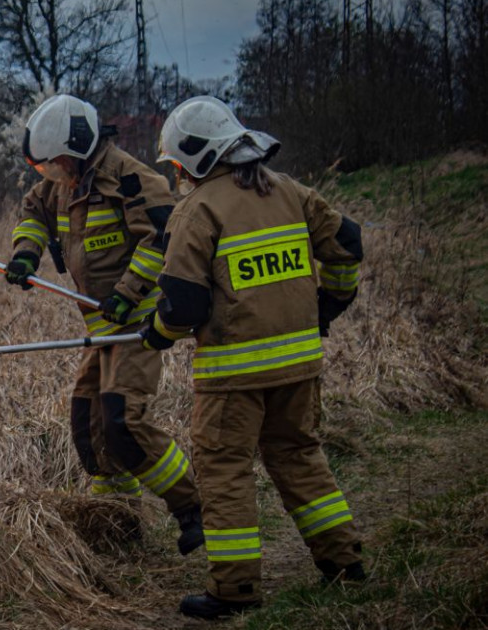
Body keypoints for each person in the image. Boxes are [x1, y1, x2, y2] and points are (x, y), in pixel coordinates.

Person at [141, 95, 366, 619]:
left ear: (195, 157)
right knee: (299, 456)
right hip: (300, 365)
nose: (176, 175)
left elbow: (182, 302)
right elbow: (348, 245)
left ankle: (235, 588)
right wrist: (325, 307)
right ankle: (344, 562)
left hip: (232, 377)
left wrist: (157, 333)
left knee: (225, 472)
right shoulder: (290, 190)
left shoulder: (197, 209)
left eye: (176, 164)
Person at [4, 94, 204, 556]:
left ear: (80, 148)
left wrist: (127, 292)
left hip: (137, 323)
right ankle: (119, 525)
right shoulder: (64, 183)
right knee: (87, 423)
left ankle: (193, 508)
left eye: (58, 164)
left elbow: (161, 242)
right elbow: (33, 213)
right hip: (101, 328)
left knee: (121, 422)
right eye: (49, 167)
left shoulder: (134, 181)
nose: (55, 175)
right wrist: (25, 254)